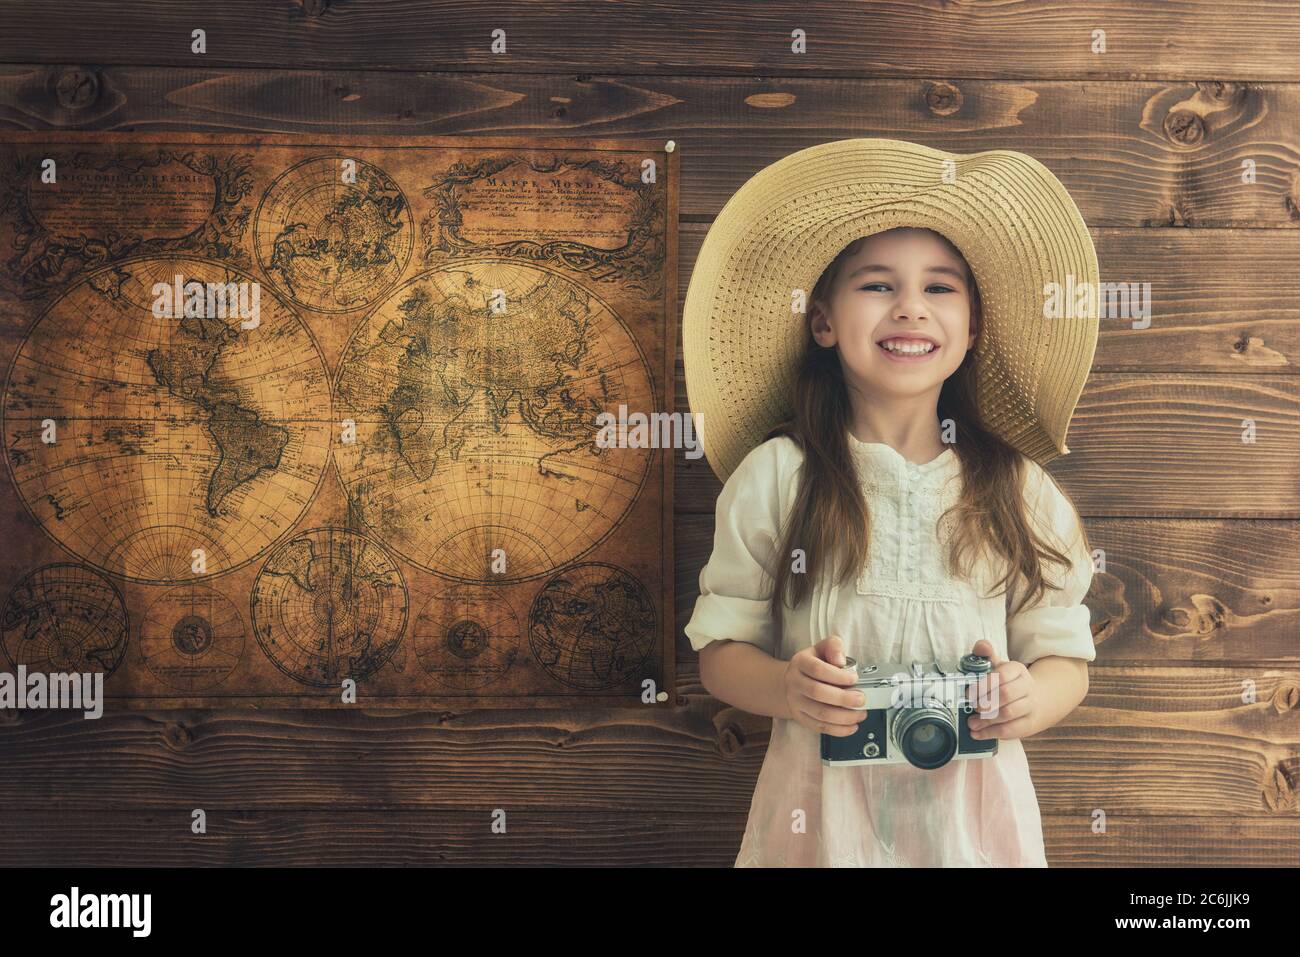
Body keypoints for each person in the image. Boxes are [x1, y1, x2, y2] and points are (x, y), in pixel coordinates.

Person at [680, 138, 1102, 867]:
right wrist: (787, 686)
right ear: (821, 321)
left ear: (972, 329)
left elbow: (1065, 654)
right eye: (877, 285)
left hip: (973, 834)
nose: (911, 307)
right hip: (819, 828)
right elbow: (719, 654)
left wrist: (1028, 696)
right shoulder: (778, 477)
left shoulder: (1017, 488)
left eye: (940, 288)